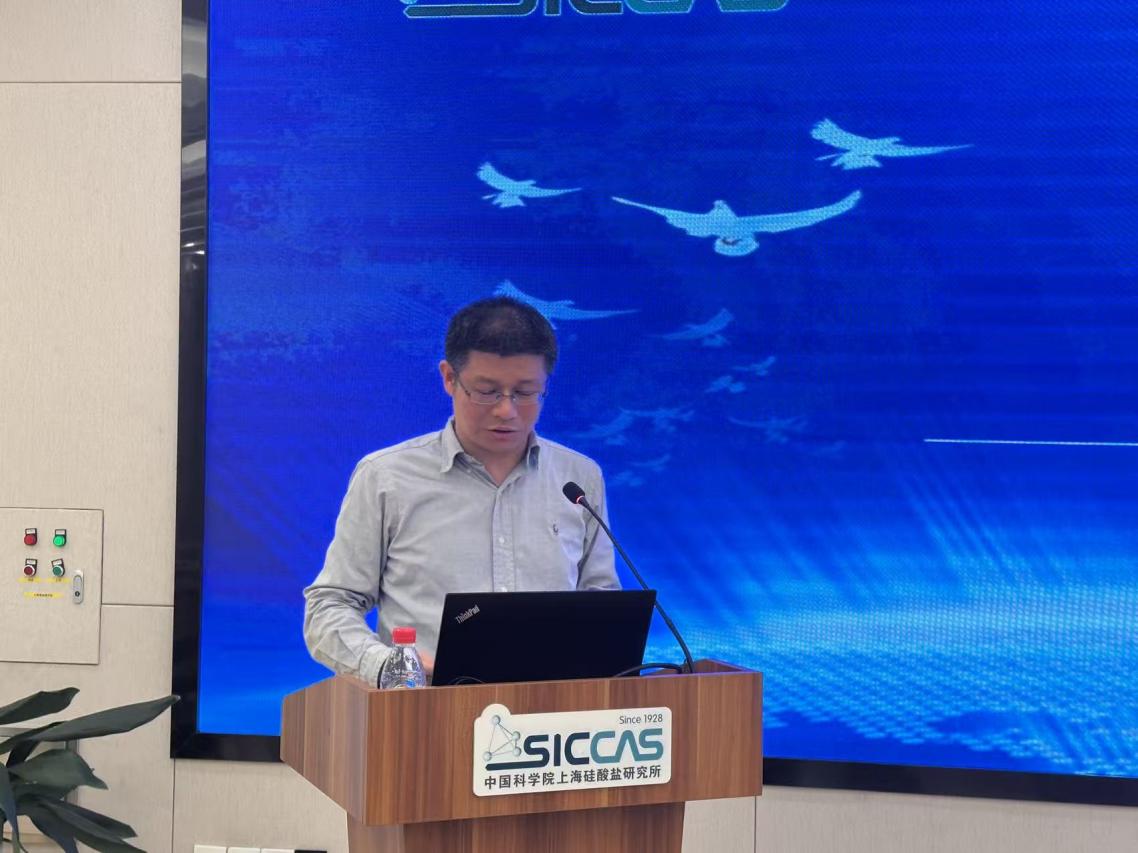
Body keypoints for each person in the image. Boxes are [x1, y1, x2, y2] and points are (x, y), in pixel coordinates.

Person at [303, 296, 619, 686]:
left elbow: (602, 605)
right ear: (449, 378)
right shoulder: (386, 477)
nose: (506, 410)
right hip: (427, 706)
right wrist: (390, 666)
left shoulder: (579, 478)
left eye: (525, 392)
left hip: (552, 712)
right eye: (487, 391)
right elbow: (330, 605)